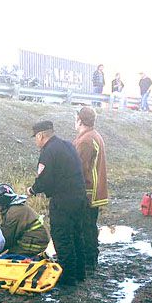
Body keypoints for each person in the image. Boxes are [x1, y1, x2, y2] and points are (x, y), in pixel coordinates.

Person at [27, 120, 87, 286]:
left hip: (63, 201)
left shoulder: (48, 151)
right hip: (79, 197)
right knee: (77, 235)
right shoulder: (67, 145)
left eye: (35, 137)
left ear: (41, 135)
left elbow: (44, 179)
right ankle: (80, 273)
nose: (35, 141)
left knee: (62, 238)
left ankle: (67, 279)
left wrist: (31, 190)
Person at [73, 107, 108, 269]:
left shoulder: (85, 140)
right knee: (90, 226)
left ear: (80, 120)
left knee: (85, 227)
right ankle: (91, 259)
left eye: (76, 118)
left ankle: (88, 261)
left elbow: (78, 168)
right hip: (93, 191)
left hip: (87, 191)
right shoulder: (94, 136)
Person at [0, 184, 49, 257]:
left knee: (7, 259)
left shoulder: (14, 212)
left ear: (3, 202)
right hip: (33, 240)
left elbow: (7, 238)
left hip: (34, 244)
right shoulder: (15, 208)